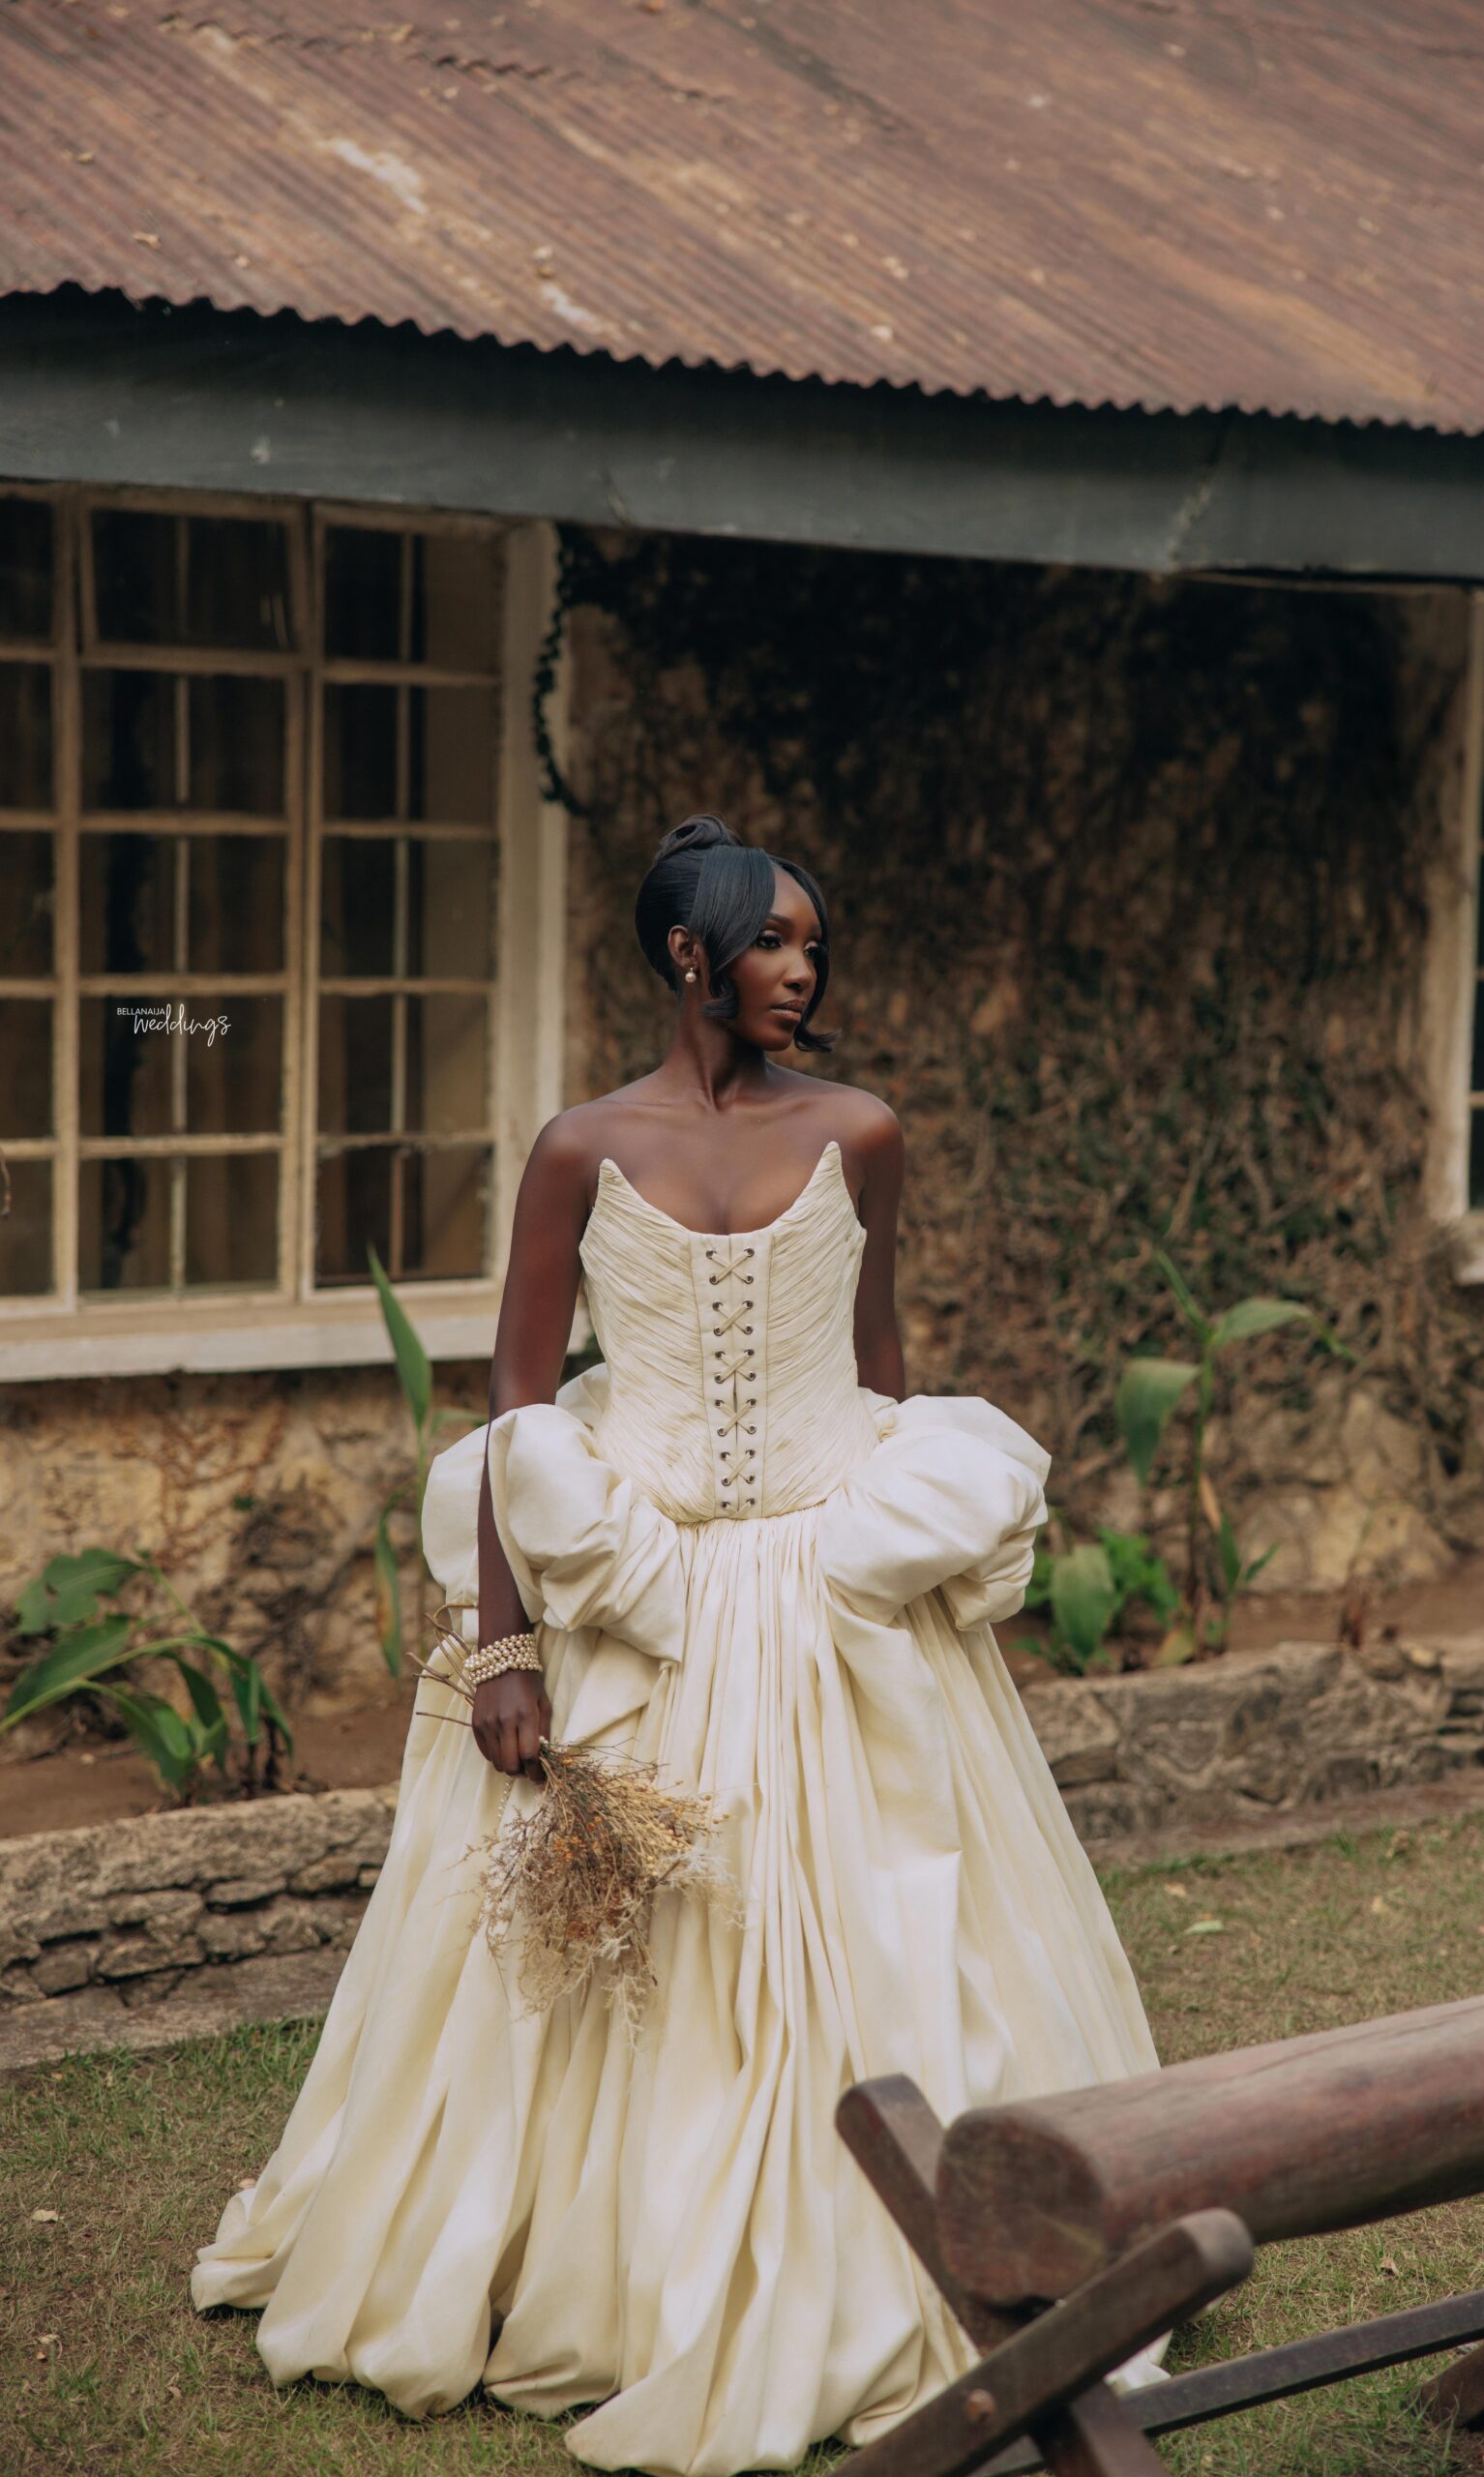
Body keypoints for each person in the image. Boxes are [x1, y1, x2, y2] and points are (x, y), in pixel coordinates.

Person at [192, 814, 1163, 2474]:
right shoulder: (580, 1149)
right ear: (687, 953)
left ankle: (896, 2253)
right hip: (632, 1598)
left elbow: (877, 1362)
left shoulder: (861, 1131)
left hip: (830, 1593)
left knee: (894, 1926)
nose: (803, 971)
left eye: (815, 945)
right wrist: (499, 1655)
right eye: (773, 940)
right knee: (607, 1972)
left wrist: (914, 1557)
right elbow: (515, 1409)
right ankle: (603, 2268)